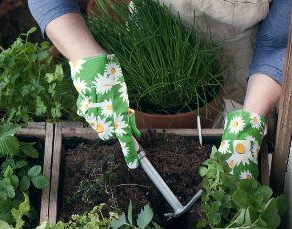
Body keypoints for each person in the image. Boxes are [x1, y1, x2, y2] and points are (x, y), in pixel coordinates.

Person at [29, 0, 290, 180]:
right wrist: (87, 59)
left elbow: (278, 41)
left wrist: (251, 118)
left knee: (227, 139)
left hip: (243, 58)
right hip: (153, 41)